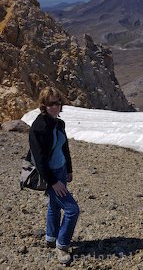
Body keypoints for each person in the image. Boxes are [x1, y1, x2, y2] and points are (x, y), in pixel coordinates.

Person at [27, 86, 80, 264]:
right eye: (51, 104)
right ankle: (62, 245)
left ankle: (50, 237)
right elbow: (40, 161)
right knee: (72, 210)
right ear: (43, 105)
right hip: (50, 174)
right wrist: (54, 182)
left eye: (57, 103)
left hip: (62, 170)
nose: (55, 107)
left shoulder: (59, 123)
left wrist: (69, 170)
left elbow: (64, 148)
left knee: (54, 206)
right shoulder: (38, 128)